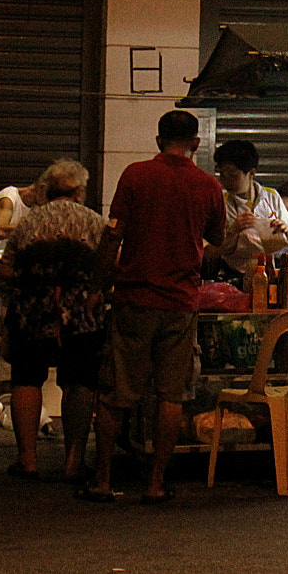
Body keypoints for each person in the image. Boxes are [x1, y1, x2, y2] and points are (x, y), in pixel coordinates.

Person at [81, 110, 226, 504]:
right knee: (171, 395)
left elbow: (113, 238)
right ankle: (156, 483)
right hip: (180, 304)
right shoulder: (209, 187)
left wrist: (96, 287)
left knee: (116, 390)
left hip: (133, 299)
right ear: (196, 143)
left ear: (158, 139)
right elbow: (216, 239)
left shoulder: (135, 175)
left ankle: (103, 480)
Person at [0, 159, 105, 482]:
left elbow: (6, 270)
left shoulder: (28, 224)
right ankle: (74, 461)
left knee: (27, 379)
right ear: (78, 191)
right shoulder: (94, 222)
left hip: (31, 312)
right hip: (81, 316)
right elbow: (109, 265)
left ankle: (28, 460)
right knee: (80, 383)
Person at [207, 140, 288, 278]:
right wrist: (233, 230)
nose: (226, 181)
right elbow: (209, 252)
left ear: (251, 173)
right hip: (233, 276)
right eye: (222, 175)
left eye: (233, 175)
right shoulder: (220, 203)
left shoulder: (271, 197)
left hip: (267, 275)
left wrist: (283, 231)